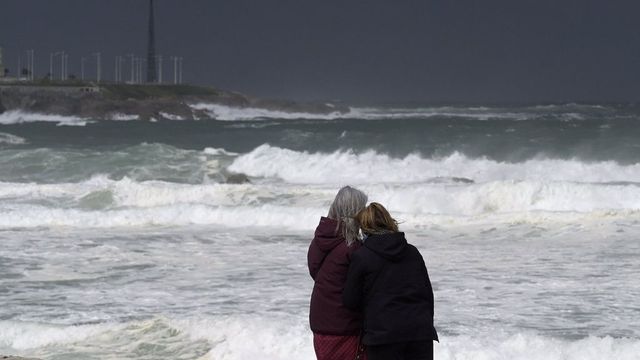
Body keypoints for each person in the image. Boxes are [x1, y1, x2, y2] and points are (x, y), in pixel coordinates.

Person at [343, 202, 438, 360]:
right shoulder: (412, 252)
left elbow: (350, 301)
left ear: (364, 228)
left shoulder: (362, 257)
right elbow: (428, 294)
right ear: (389, 221)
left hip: (383, 336)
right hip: (420, 333)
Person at [308, 186, 368, 360]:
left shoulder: (319, 240)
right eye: (363, 209)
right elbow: (360, 289)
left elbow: (316, 274)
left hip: (320, 323)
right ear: (354, 212)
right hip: (344, 326)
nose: (365, 214)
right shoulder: (352, 247)